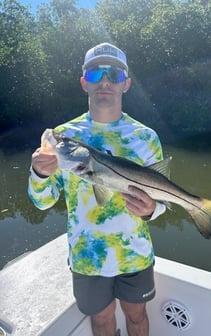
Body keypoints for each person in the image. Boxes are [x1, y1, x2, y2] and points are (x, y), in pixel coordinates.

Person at [28, 42, 166, 336]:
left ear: (126, 84)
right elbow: (43, 203)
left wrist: (153, 210)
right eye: (95, 75)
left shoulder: (146, 137)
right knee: (102, 321)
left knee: (137, 318)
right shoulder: (63, 138)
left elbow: (161, 201)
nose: (104, 81)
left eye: (114, 75)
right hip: (87, 257)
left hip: (135, 254)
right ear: (84, 83)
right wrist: (39, 173)